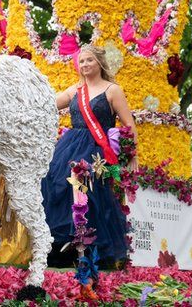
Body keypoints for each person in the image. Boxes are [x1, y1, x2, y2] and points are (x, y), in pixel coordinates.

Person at [42, 45, 137, 267]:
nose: (84, 65)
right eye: (81, 61)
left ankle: (90, 249)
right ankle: (60, 247)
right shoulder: (75, 90)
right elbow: (47, 103)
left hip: (98, 150)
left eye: (89, 61)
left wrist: (133, 156)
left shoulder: (113, 90)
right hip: (70, 146)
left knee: (90, 191)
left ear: (100, 63)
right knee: (53, 181)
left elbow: (129, 123)